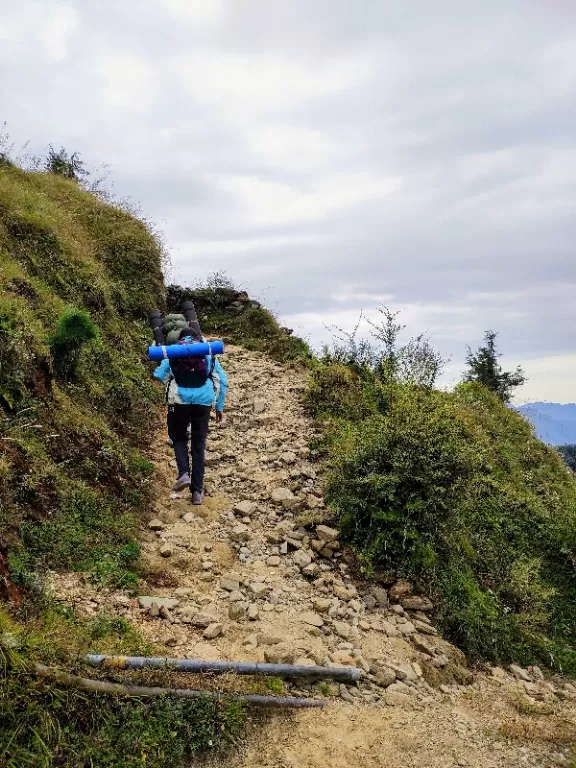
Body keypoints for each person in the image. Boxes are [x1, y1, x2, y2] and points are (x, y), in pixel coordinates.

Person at [153, 328, 228, 504]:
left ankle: (184, 474)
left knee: (178, 438)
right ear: (198, 337)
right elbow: (223, 381)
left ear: (181, 339)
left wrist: (169, 376)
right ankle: (197, 493)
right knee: (199, 445)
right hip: (203, 403)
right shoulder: (207, 352)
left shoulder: (174, 352)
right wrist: (219, 407)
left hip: (178, 402)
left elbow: (158, 375)